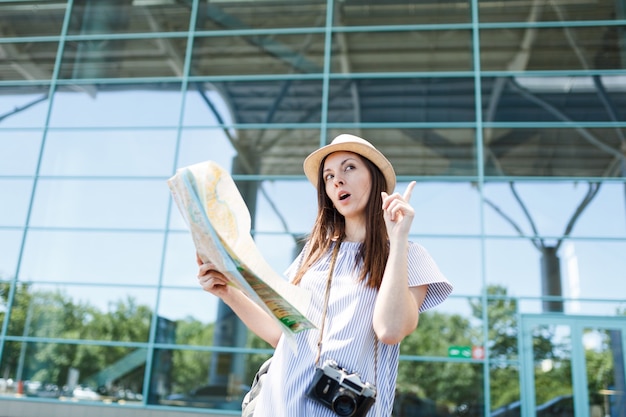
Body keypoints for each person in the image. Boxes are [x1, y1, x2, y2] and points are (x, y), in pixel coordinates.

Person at [197, 133, 453, 417]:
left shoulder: (409, 254)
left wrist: (399, 238)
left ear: (375, 177)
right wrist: (227, 291)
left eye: (349, 168)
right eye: (329, 176)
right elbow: (284, 335)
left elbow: (390, 330)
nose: (337, 180)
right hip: (277, 407)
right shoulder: (314, 254)